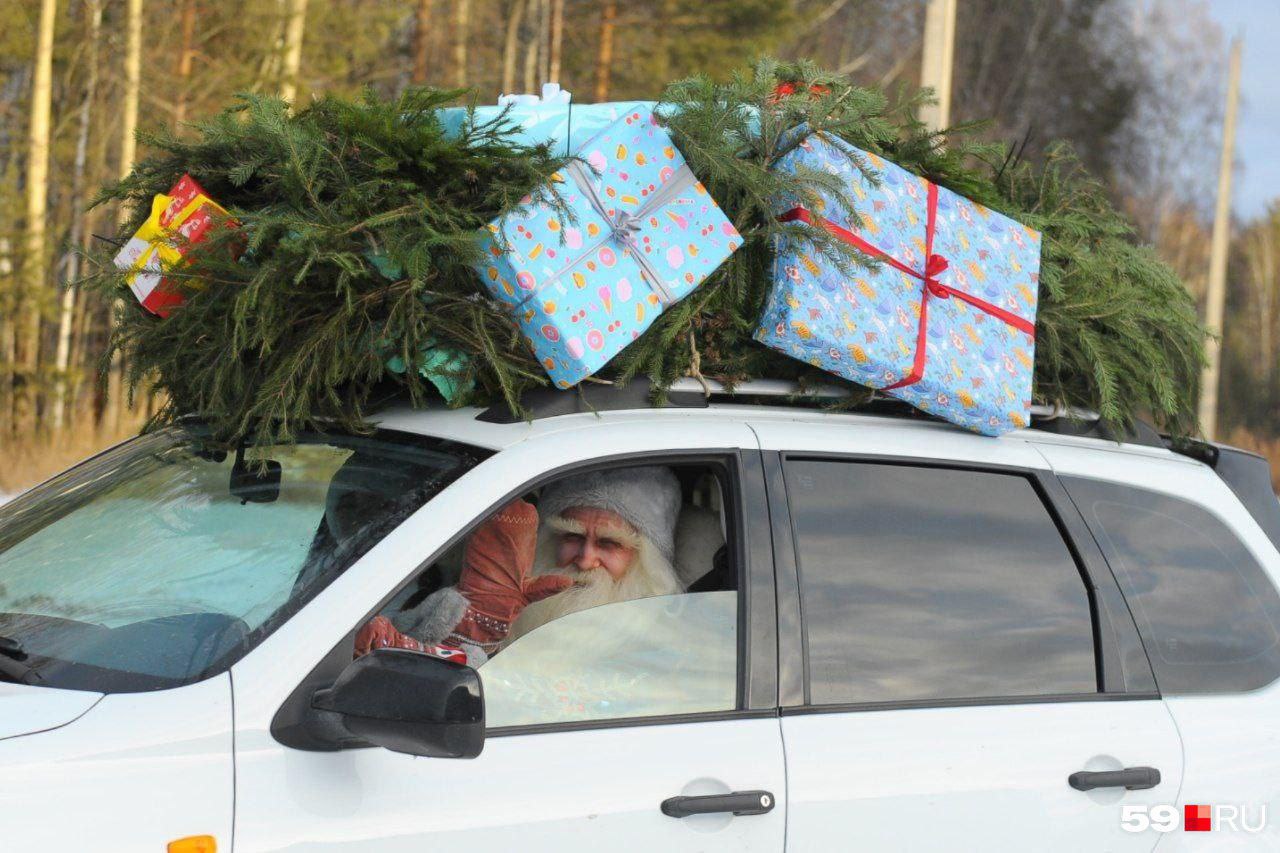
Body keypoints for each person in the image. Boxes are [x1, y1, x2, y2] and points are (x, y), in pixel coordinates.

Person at [354, 466, 685, 666]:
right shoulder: (499, 607)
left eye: (609, 544)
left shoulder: (670, 650)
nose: (584, 560)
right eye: (571, 536)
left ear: (646, 561)